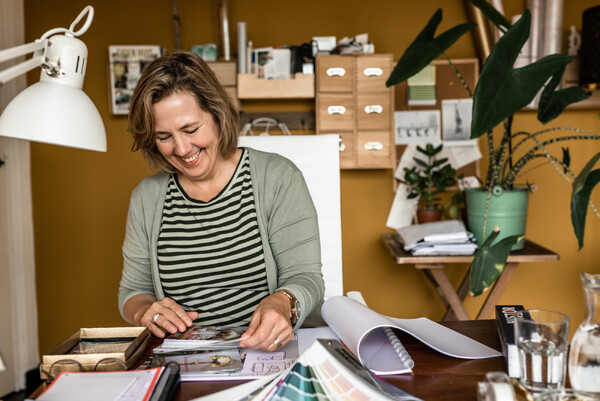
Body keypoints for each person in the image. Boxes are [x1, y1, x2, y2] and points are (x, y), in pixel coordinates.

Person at [118, 51, 324, 351]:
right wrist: (144, 311)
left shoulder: (278, 177)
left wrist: (282, 302)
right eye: (164, 136)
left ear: (217, 114)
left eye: (191, 129)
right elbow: (133, 292)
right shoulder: (146, 198)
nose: (181, 147)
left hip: (269, 351)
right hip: (188, 360)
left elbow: (307, 277)